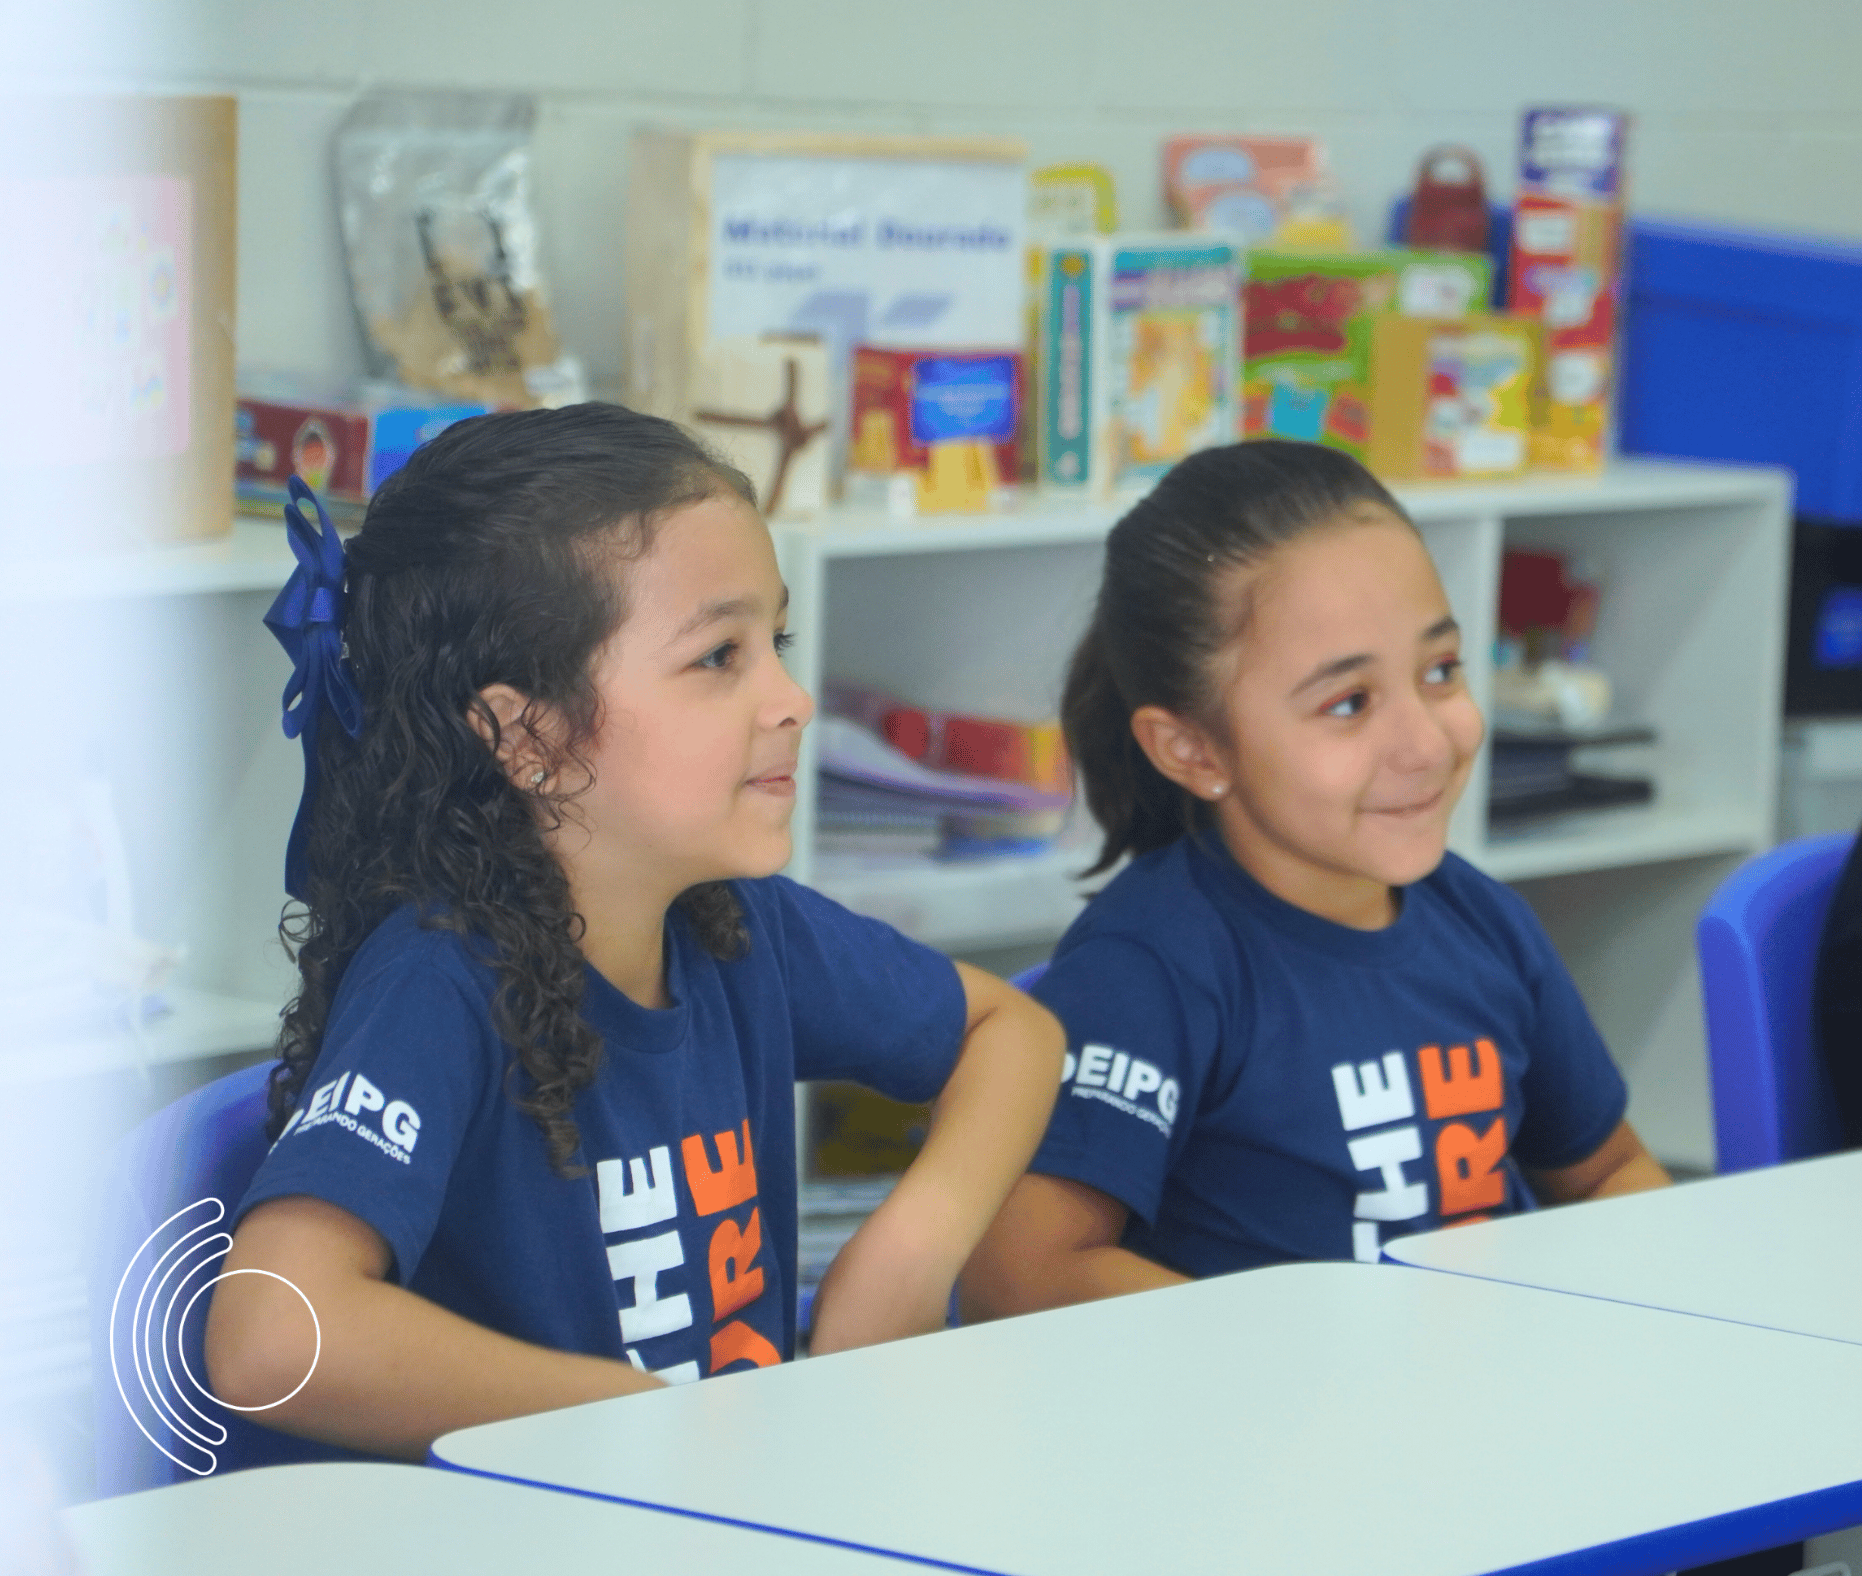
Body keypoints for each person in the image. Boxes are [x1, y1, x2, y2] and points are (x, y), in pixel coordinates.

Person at [206, 404, 1063, 1460]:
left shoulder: (732, 925)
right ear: (529, 735)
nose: (790, 697)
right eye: (717, 657)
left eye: (774, 642)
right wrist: (636, 1411)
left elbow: (1011, 1035)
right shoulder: (439, 978)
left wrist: (907, 1251)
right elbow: (266, 1336)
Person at [962, 440, 1668, 1318]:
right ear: (1194, 748)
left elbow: (1608, 1172)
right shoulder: (1149, 969)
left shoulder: (1483, 920)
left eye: (1440, 671)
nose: (1425, 742)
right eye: (1349, 704)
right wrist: (1303, 1358)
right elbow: (1016, 1274)